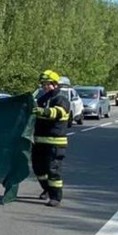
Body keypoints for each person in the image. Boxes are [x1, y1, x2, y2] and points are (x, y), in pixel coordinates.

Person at [32, 69, 72, 206]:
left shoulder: (61, 99)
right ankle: (47, 189)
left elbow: (57, 113)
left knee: (53, 170)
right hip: (39, 142)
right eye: (43, 84)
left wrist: (41, 111)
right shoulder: (42, 99)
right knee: (38, 169)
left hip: (55, 143)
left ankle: (55, 197)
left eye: (47, 84)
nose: (45, 87)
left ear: (55, 84)